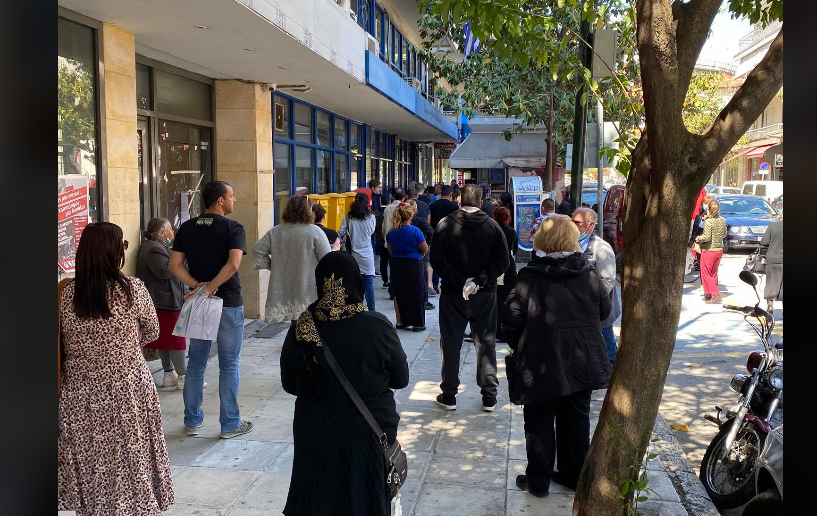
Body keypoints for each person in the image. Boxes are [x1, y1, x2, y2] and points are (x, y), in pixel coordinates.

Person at [280, 252, 409, 515]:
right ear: (355, 281)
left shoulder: (302, 328)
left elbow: (289, 384)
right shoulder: (377, 326)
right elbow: (401, 379)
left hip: (315, 436)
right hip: (367, 437)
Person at [59, 222, 174, 514]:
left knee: (92, 458)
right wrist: (123, 346)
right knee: (130, 458)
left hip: (80, 391)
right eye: (123, 245)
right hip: (127, 386)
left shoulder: (66, 293)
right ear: (113, 251)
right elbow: (152, 331)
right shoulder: (132, 289)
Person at [503, 214, 612, 497]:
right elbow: (604, 312)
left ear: (543, 239)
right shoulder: (588, 275)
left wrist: (521, 346)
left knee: (538, 420)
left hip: (540, 361)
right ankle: (574, 474)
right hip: (582, 359)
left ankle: (538, 481)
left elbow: (511, 322)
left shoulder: (530, 278)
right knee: (576, 419)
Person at [169, 181, 254, 439]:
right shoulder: (233, 228)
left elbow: (174, 265)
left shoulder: (186, 228)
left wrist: (198, 286)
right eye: (231, 195)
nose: (234, 199)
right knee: (229, 364)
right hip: (228, 303)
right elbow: (233, 264)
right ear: (220, 200)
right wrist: (209, 288)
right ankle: (230, 424)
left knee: (196, 362)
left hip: (200, 304)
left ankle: (192, 422)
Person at [430, 184, 510, 412]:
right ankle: (489, 396)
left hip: (452, 293)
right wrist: (478, 280)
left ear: (459, 201)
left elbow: (436, 260)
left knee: (451, 342)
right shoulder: (493, 227)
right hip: (484, 293)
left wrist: (459, 280)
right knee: (485, 342)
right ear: (481, 202)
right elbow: (503, 261)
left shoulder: (444, 224)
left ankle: (449, 394)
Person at [136, 217, 200, 390]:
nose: (173, 232)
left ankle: (169, 374)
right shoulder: (153, 248)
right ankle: (183, 376)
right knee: (175, 339)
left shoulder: (158, 246)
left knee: (165, 339)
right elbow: (164, 271)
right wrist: (181, 260)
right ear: (162, 232)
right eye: (170, 228)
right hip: (164, 301)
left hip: (166, 300)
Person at [253, 195, 332, 323]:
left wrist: (274, 266)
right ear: (308, 210)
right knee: (308, 325)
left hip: (283, 286)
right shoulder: (314, 231)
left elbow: (257, 251)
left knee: (296, 325)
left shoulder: (276, 231)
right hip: (308, 287)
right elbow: (328, 260)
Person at [573, 207, 619, 366]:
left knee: (606, 345)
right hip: (579, 307)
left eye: (577, 223)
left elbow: (607, 280)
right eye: (572, 222)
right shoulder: (572, 244)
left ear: (591, 225)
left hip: (599, 309)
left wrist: (591, 300)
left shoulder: (601, 248)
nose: (573, 226)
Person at [387, 202, 429, 331]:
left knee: (399, 292)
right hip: (414, 263)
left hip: (397, 263)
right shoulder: (415, 231)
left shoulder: (392, 232)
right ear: (411, 215)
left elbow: (390, 249)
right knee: (416, 292)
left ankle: (401, 321)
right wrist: (420, 254)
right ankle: (418, 323)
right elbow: (425, 248)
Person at [339, 193, 377, 311]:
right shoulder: (371, 218)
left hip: (352, 256)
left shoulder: (348, 217)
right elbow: (371, 232)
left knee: (354, 284)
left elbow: (340, 233)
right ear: (367, 203)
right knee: (369, 284)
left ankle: (356, 309)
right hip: (367, 256)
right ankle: (372, 310)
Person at [695, 199, 728, 303]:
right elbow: (724, 234)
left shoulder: (708, 221)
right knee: (713, 273)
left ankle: (715, 294)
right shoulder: (723, 220)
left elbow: (707, 237)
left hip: (709, 250)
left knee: (706, 273)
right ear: (718, 209)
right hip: (719, 249)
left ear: (708, 209)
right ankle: (708, 294)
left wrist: (698, 238)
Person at [493, 207, 518, 343]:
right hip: (509, 268)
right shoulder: (511, 232)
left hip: (495, 267)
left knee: (494, 300)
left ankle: (494, 328)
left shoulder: (492, 230)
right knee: (506, 300)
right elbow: (515, 249)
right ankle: (503, 330)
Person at [409, 199, 436, 310]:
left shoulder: (399, 222)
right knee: (423, 275)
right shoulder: (420, 221)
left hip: (404, 254)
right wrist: (426, 243)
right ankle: (424, 300)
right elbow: (431, 232)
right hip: (420, 251)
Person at [760, 218, 783, 312]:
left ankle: (770, 306)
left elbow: (764, 242)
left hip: (773, 259)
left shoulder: (773, 226)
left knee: (771, 284)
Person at [688, 195, 714, 273]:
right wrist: (690, 244)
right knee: (701, 266)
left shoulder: (715, 218)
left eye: (708, 204)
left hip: (710, 246)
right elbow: (694, 232)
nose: (705, 206)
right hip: (699, 246)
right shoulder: (699, 217)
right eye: (704, 203)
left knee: (709, 267)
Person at [376, 194, 392, 289]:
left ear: (380, 202)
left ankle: (385, 280)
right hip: (390, 240)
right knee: (392, 261)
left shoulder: (376, 212)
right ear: (389, 202)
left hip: (381, 240)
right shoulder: (391, 212)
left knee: (383, 261)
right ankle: (392, 279)